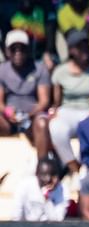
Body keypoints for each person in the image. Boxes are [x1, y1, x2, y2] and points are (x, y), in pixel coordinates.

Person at [49, 30, 89, 175]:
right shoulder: (60, 71)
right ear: (72, 50)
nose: (85, 50)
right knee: (56, 128)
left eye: (86, 45)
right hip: (68, 111)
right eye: (80, 47)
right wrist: (54, 112)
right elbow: (57, 103)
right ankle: (75, 168)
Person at [0, 30, 52, 161]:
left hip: (32, 116)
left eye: (22, 49)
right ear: (7, 51)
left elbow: (44, 101)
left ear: (28, 50)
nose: (18, 53)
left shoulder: (40, 68)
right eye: (14, 49)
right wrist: (7, 111)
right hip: (9, 119)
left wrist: (28, 115)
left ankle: (43, 164)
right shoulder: (1, 70)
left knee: (41, 122)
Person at [9, 0, 58, 70]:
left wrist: (48, 53)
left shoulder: (44, 9)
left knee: (51, 64)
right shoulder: (10, 12)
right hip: (20, 55)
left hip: (41, 55)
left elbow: (50, 36)